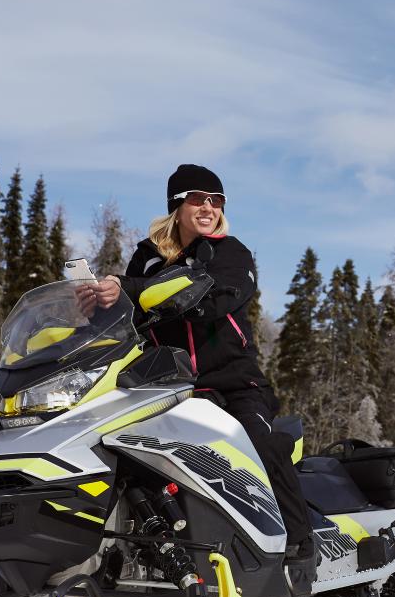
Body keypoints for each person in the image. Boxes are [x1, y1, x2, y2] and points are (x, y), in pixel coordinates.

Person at [76, 164, 315, 568]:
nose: (208, 207)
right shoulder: (148, 259)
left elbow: (214, 296)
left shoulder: (230, 253)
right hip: (166, 386)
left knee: (259, 444)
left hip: (235, 384)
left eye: (216, 200)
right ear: (176, 205)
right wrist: (98, 307)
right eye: (197, 199)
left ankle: (300, 545)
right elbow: (129, 320)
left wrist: (128, 288)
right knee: (118, 449)